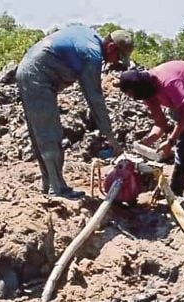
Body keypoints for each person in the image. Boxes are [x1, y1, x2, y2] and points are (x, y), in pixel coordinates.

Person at [15, 27, 134, 199]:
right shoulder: (92, 54)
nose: (115, 62)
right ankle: (57, 189)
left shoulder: (91, 37)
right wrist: (111, 137)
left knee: (41, 133)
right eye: (118, 57)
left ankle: (50, 184)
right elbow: (94, 98)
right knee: (49, 133)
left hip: (30, 70)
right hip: (37, 75)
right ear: (111, 48)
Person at [118, 61, 184, 202]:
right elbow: (160, 123)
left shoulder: (169, 83)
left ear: (140, 87)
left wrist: (170, 141)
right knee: (183, 144)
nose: (133, 97)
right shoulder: (146, 92)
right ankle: (176, 190)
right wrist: (147, 141)